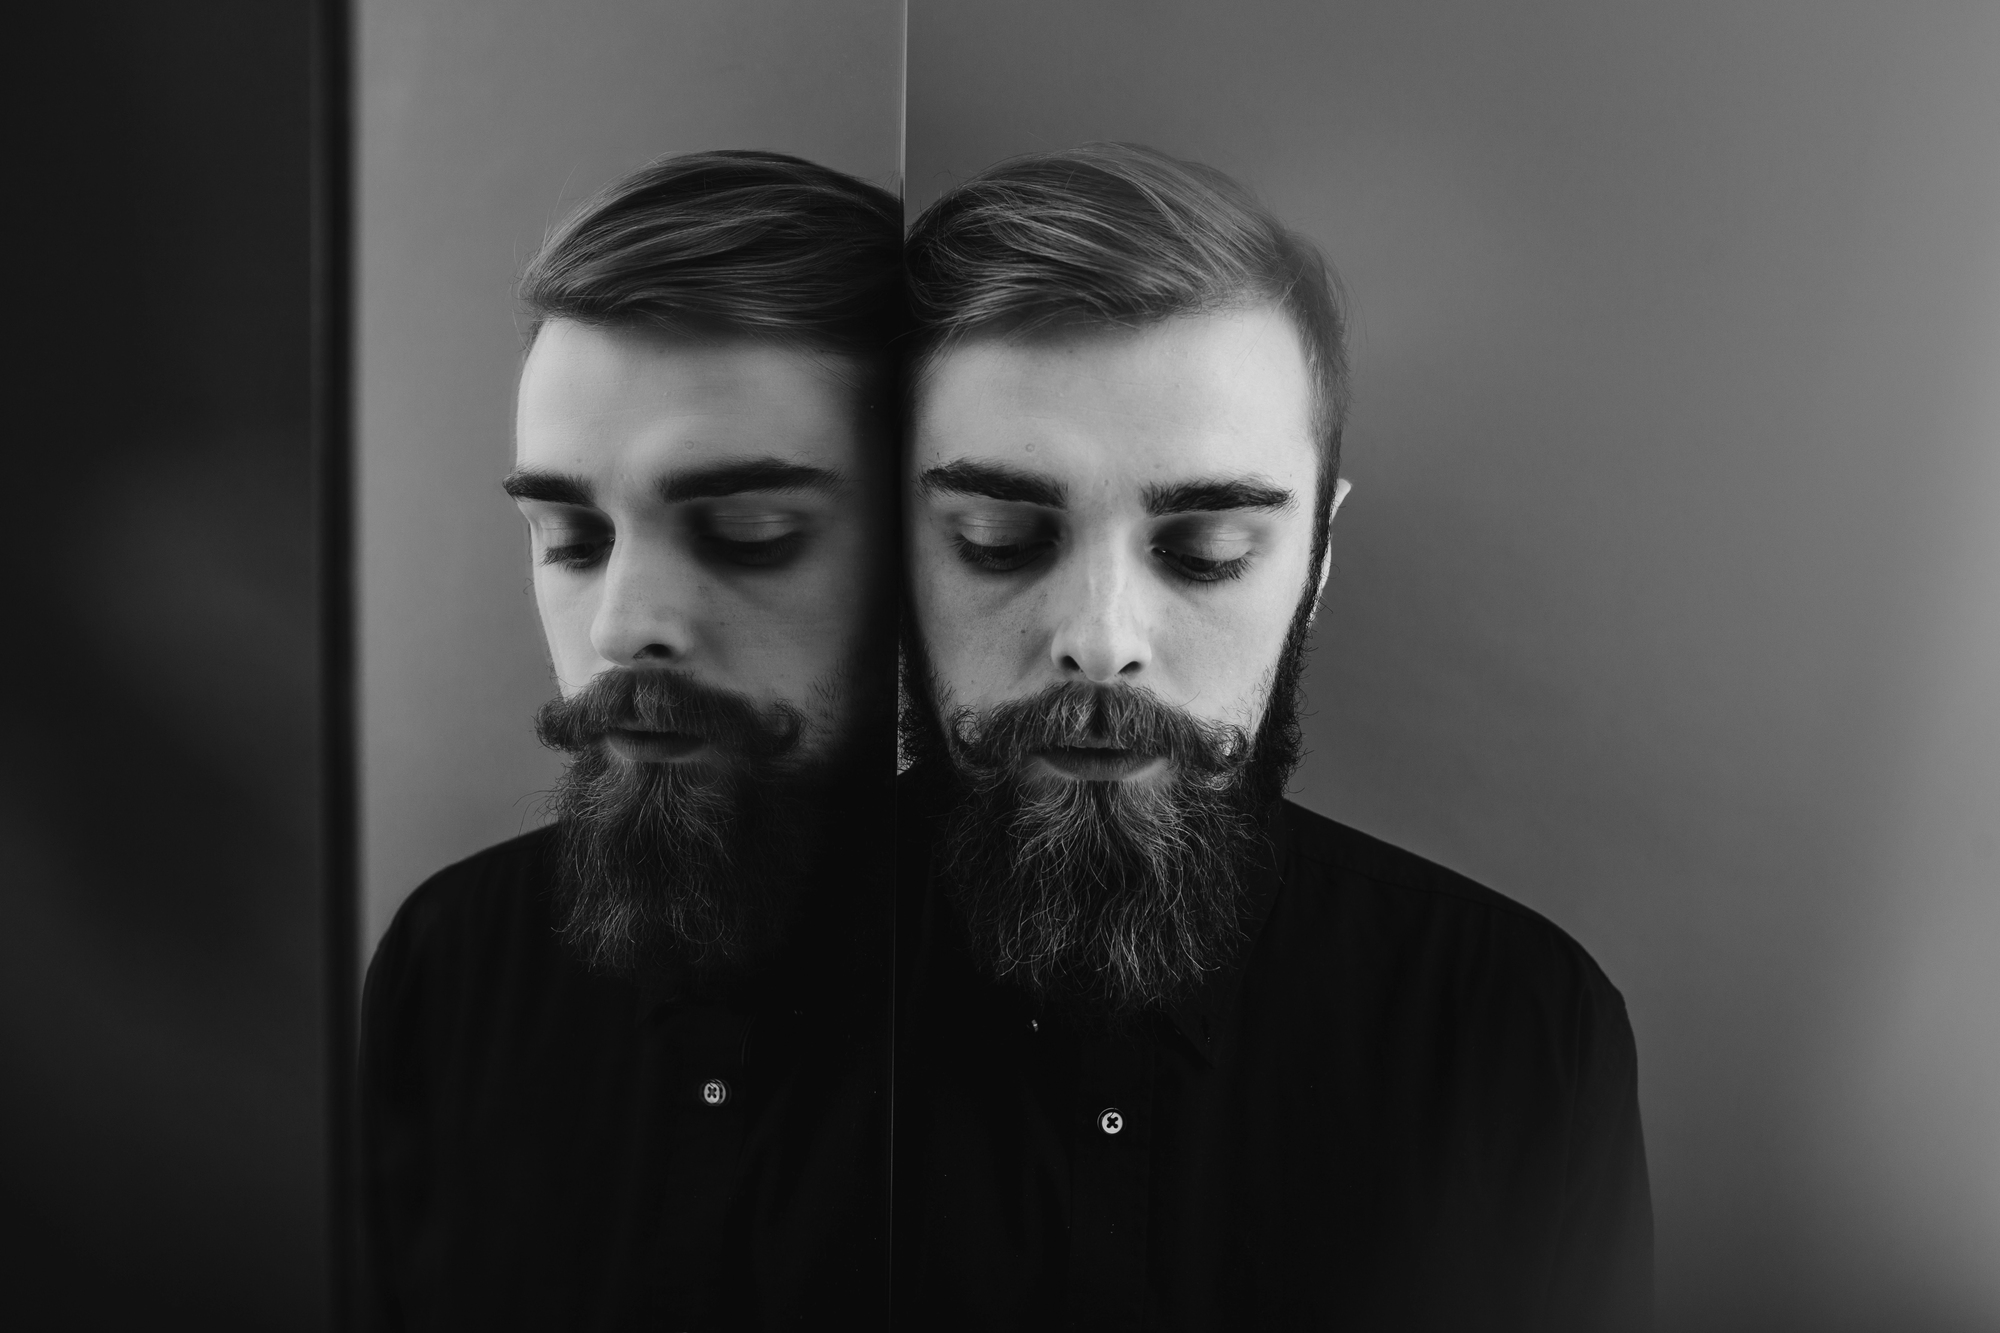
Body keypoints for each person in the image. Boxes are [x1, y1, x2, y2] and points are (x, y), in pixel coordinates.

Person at [894, 143, 1652, 1331]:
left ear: (1316, 559)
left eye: (1204, 554)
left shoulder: (1513, 1031)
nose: (1101, 640)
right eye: (996, 537)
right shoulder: (708, 993)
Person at [359, 150, 902, 1330]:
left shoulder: (1060, 1010)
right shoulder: (449, 965)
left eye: (749, 534)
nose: (620, 626)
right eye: (568, 536)